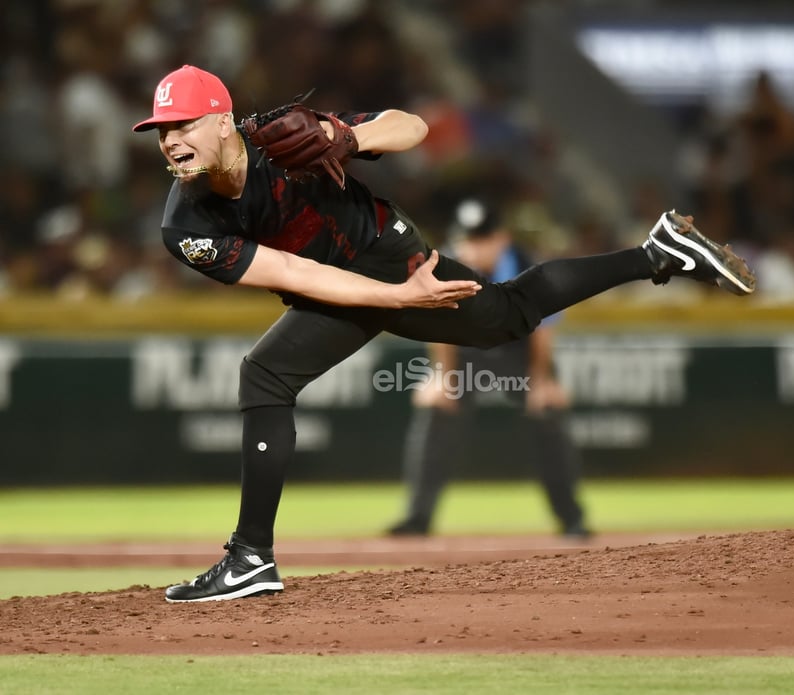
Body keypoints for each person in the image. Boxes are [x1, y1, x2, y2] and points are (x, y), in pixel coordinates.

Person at [132, 65, 755, 603]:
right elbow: (297, 271)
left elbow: (414, 126)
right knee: (267, 374)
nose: (171, 141)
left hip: (388, 254)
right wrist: (399, 301)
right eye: (162, 130)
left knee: (508, 316)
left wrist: (347, 135)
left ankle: (656, 254)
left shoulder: (278, 139)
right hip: (345, 283)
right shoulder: (184, 224)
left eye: (183, 125)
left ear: (223, 121)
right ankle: (251, 558)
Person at [388, 198, 590, 538]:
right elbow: (439, 327)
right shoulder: (443, 266)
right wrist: (443, 377)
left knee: (549, 416)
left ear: (502, 239)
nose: (473, 248)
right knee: (437, 412)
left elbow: (543, 331)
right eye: (467, 239)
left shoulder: (529, 268)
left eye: (481, 239)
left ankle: (572, 519)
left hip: (519, 352)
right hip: (466, 350)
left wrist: (541, 382)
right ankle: (417, 518)